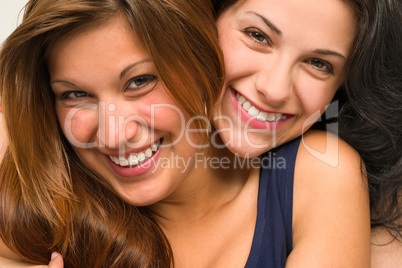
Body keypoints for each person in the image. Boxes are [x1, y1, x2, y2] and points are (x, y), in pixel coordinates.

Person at [0, 0, 370, 267]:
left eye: (140, 81)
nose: (113, 135)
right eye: (75, 95)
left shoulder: (318, 174)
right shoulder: (36, 202)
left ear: (200, 58)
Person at [212, 0, 402, 266]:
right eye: (258, 36)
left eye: (318, 63)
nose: (275, 89)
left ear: (343, 86)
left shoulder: (327, 172)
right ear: (208, 17)